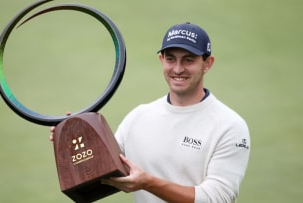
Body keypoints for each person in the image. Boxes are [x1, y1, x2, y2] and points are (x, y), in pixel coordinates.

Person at [50, 22, 250, 203]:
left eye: (188, 60)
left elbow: (216, 198)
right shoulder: (139, 117)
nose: (178, 69)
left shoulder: (229, 125)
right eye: (171, 59)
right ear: (161, 59)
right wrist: (74, 141)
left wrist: (148, 183)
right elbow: (101, 171)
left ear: (208, 63)